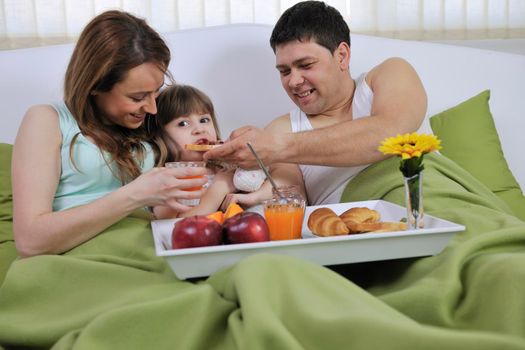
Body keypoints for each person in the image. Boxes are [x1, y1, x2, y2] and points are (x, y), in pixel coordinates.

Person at [11, 11, 209, 257]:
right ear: (94, 85)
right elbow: (30, 241)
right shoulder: (47, 120)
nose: (152, 108)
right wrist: (136, 194)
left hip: (152, 250)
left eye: (156, 92)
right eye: (137, 97)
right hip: (81, 259)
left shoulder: (147, 122)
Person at [204, 0, 427, 205]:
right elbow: (292, 193)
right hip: (360, 229)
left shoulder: (391, 74)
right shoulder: (282, 129)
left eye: (306, 65)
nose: (293, 81)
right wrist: (253, 196)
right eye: (284, 71)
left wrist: (277, 147)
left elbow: (391, 132)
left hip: (430, 196)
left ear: (342, 56)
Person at [148, 84, 305, 219]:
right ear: (160, 136)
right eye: (183, 123)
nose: (199, 129)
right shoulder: (165, 179)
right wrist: (220, 187)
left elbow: (279, 186)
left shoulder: (227, 166)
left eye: (204, 120)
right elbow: (170, 226)